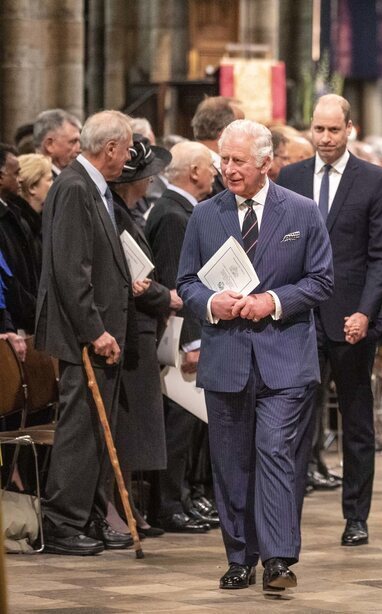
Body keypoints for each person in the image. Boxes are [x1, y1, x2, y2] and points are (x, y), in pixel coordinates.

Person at [176, 119, 333, 592]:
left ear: (266, 163)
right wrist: (210, 303)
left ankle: (280, 560)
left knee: (276, 453)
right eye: (223, 160)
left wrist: (274, 301)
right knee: (231, 463)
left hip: (284, 358)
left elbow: (322, 280)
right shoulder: (205, 215)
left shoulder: (303, 213)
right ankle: (240, 557)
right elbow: (186, 283)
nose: (227, 169)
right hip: (226, 358)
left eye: (238, 160)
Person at [276, 94, 382, 547]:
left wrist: (365, 312)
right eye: (318, 129)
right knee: (294, 420)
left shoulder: (373, 180)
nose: (325, 138)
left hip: (351, 319)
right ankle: (287, 516)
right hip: (298, 318)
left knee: (356, 419)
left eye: (333, 130)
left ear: (350, 129)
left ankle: (356, 516)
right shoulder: (289, 177)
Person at [35, 110, 135, 555]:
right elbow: (71, 270)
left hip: (102, 330)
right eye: (128, 147)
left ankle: (90, 516)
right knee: (79, 429)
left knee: (99, 428)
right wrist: (95, 330)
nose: (130, 155)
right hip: (85, 335)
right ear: (110, 148)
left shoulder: (91, 186)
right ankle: (61, 522)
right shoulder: (74, 187)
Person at [144, 140, 217, 534]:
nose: (214, 173)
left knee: (187, 423)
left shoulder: (180, 210)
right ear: (193, 172)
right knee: (178, 422)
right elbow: (179, 284)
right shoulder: (173, 215)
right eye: (208, 166)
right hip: (178, 339)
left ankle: (183, 497)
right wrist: (193, 342)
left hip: (186, 334)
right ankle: (169, 504)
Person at [107, 135, 175, 536]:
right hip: (130, 329)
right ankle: (119, 505)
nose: (150, 184)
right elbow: (134, 278)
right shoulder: (116, 215)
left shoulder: (127, 212)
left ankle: (129, 503)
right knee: (126, 428)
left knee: (135, 430)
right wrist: (167, 296)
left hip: (141, 329)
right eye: (146, 177)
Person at [0, 147, 41, 333]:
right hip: (14, 322)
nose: (21, 178)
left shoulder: (13, 213)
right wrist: (34, 310)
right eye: (15, 173)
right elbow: (8, 279)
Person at [33, 108, 82, 176]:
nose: (79, 149)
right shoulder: (38, 180)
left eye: (79, 142)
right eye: (73, 142)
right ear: (49, 145)